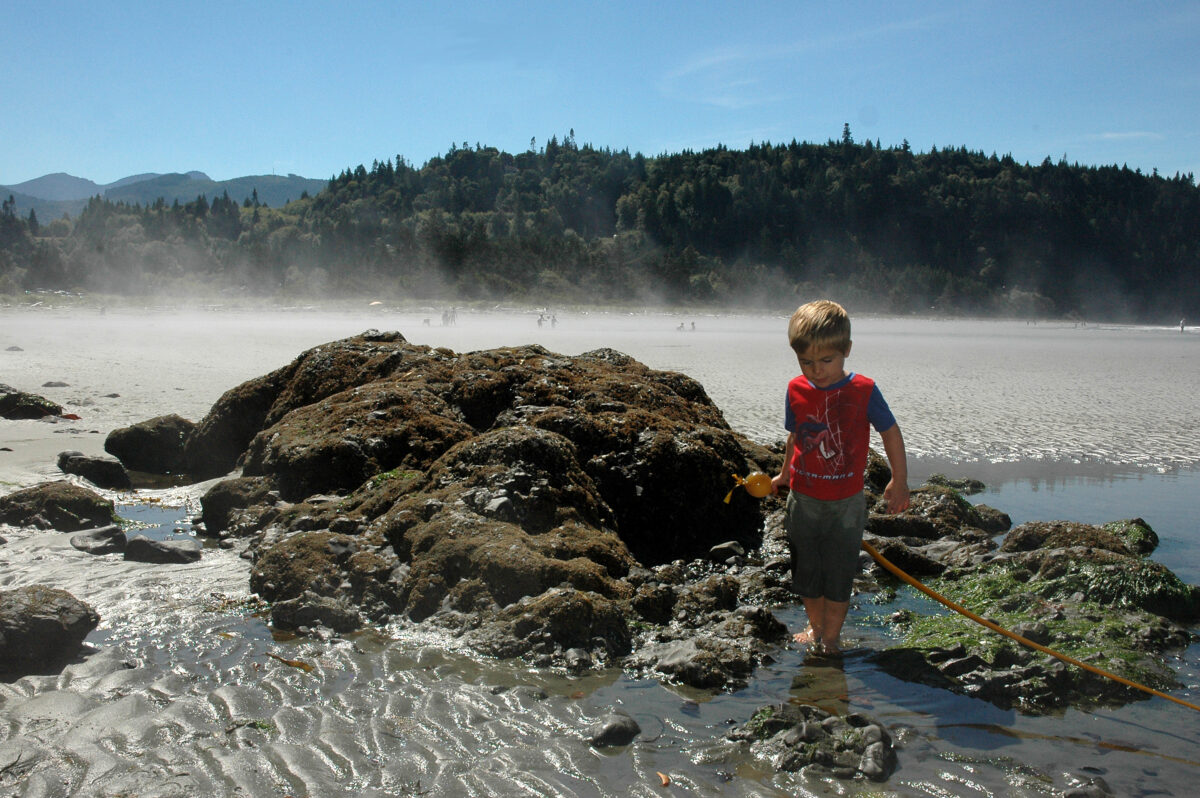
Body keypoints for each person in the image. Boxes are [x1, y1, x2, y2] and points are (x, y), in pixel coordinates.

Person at [771, 300, 910, 655]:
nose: (816, 371)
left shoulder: (863, 390)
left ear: (846, 350)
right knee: (806, 573)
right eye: (806, 362)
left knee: (838, 574)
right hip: (802, 499)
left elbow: (890, 432)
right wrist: (785, 473)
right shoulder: (795, 390)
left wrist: (899, 480)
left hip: (846, 504)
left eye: (826, 361)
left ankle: (830, 639)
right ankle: (816, 628)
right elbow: (795, 435)